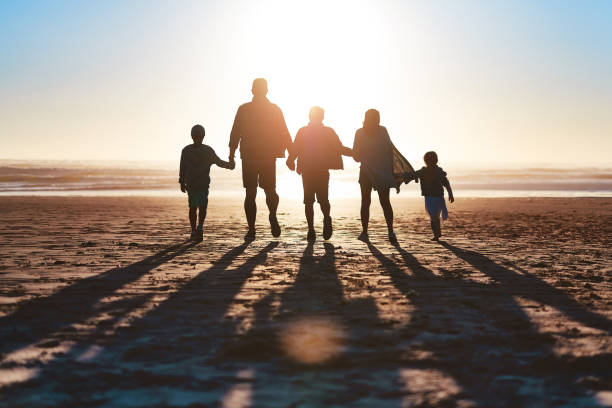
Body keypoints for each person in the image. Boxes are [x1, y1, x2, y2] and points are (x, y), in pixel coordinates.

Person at [229, 78, 293, 240]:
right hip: (267, 155)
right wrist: (292, 155)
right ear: (266, 91)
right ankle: (272, 214)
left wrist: (231, 154)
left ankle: (251, 229)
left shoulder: (244, 109)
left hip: (249, 155)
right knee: (270, 190)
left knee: (250, 193)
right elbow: (284, 132)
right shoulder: (274, 109)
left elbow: (235, 132)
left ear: (252, 91)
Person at [286, 106, 352, 241]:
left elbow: (295, 149)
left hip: (310, 170)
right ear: (321, 117)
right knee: (320, 200)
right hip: (317, 170)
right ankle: (322, 222)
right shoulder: (325, 131)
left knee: (310, 201)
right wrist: (354, 152)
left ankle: (313, 228)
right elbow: (339, 148)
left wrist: (290, 160)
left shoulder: (305, 131)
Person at [179, 124, 235, 241]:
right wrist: (229, 165)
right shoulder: (201, 151)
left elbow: (182, 168)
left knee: (194, 208)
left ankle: (196, 229)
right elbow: (219, 162)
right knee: (199, 207)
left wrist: (182, 181)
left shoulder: (189, 150)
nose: (197, 137)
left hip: (196, 184)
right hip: (198, 184)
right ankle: (197, 229)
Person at [352, 109, 397, 243]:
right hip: (382, 171)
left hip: (366, 171)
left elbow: (356, 156)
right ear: (378, 118)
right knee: (385, 202)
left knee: (365, 202)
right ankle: (390, 232)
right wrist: (392, 171)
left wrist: (359, 154)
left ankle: (365, 233)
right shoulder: (383, 130)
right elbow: (390, 151)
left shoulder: (360, 132)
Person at [411, 151, 454, 241]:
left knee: (434, 217)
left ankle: (436, 234)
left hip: (436, 198)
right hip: (432, 197)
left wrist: (450, 194)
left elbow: (446, 183)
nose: (430, 162)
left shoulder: (437, 172)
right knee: (434, 216)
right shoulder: (423, 172)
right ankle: (437, 233)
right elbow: (412, 175)